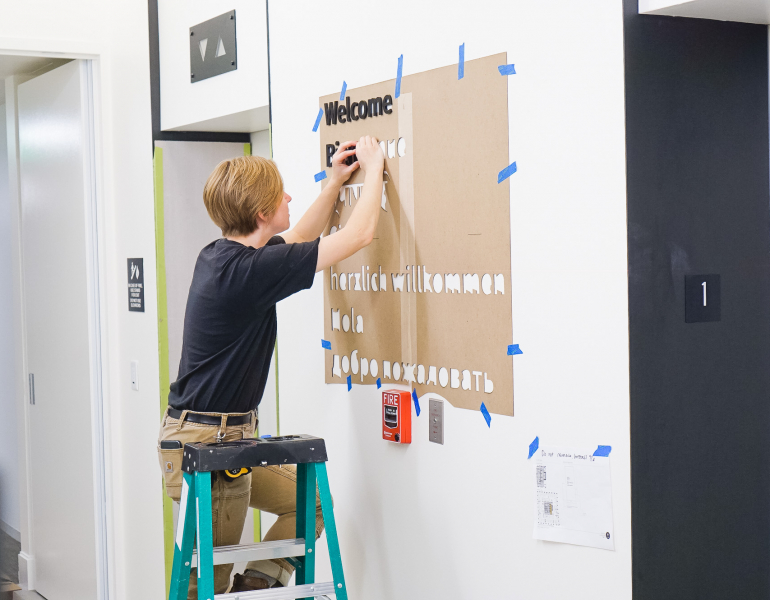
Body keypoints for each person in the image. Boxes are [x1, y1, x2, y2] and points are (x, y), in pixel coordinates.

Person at [157, 136, 385, 595]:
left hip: (219, 434)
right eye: (280, 193)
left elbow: (299, 237)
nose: (288, 197)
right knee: (210, 584)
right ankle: (241, 590)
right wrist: (377, 167)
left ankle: (256, 587)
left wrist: (336, 183)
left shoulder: (224, 257)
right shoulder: (247, 272)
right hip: (209, 440)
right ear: (262, 212)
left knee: (311, 505)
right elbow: (360, 235)